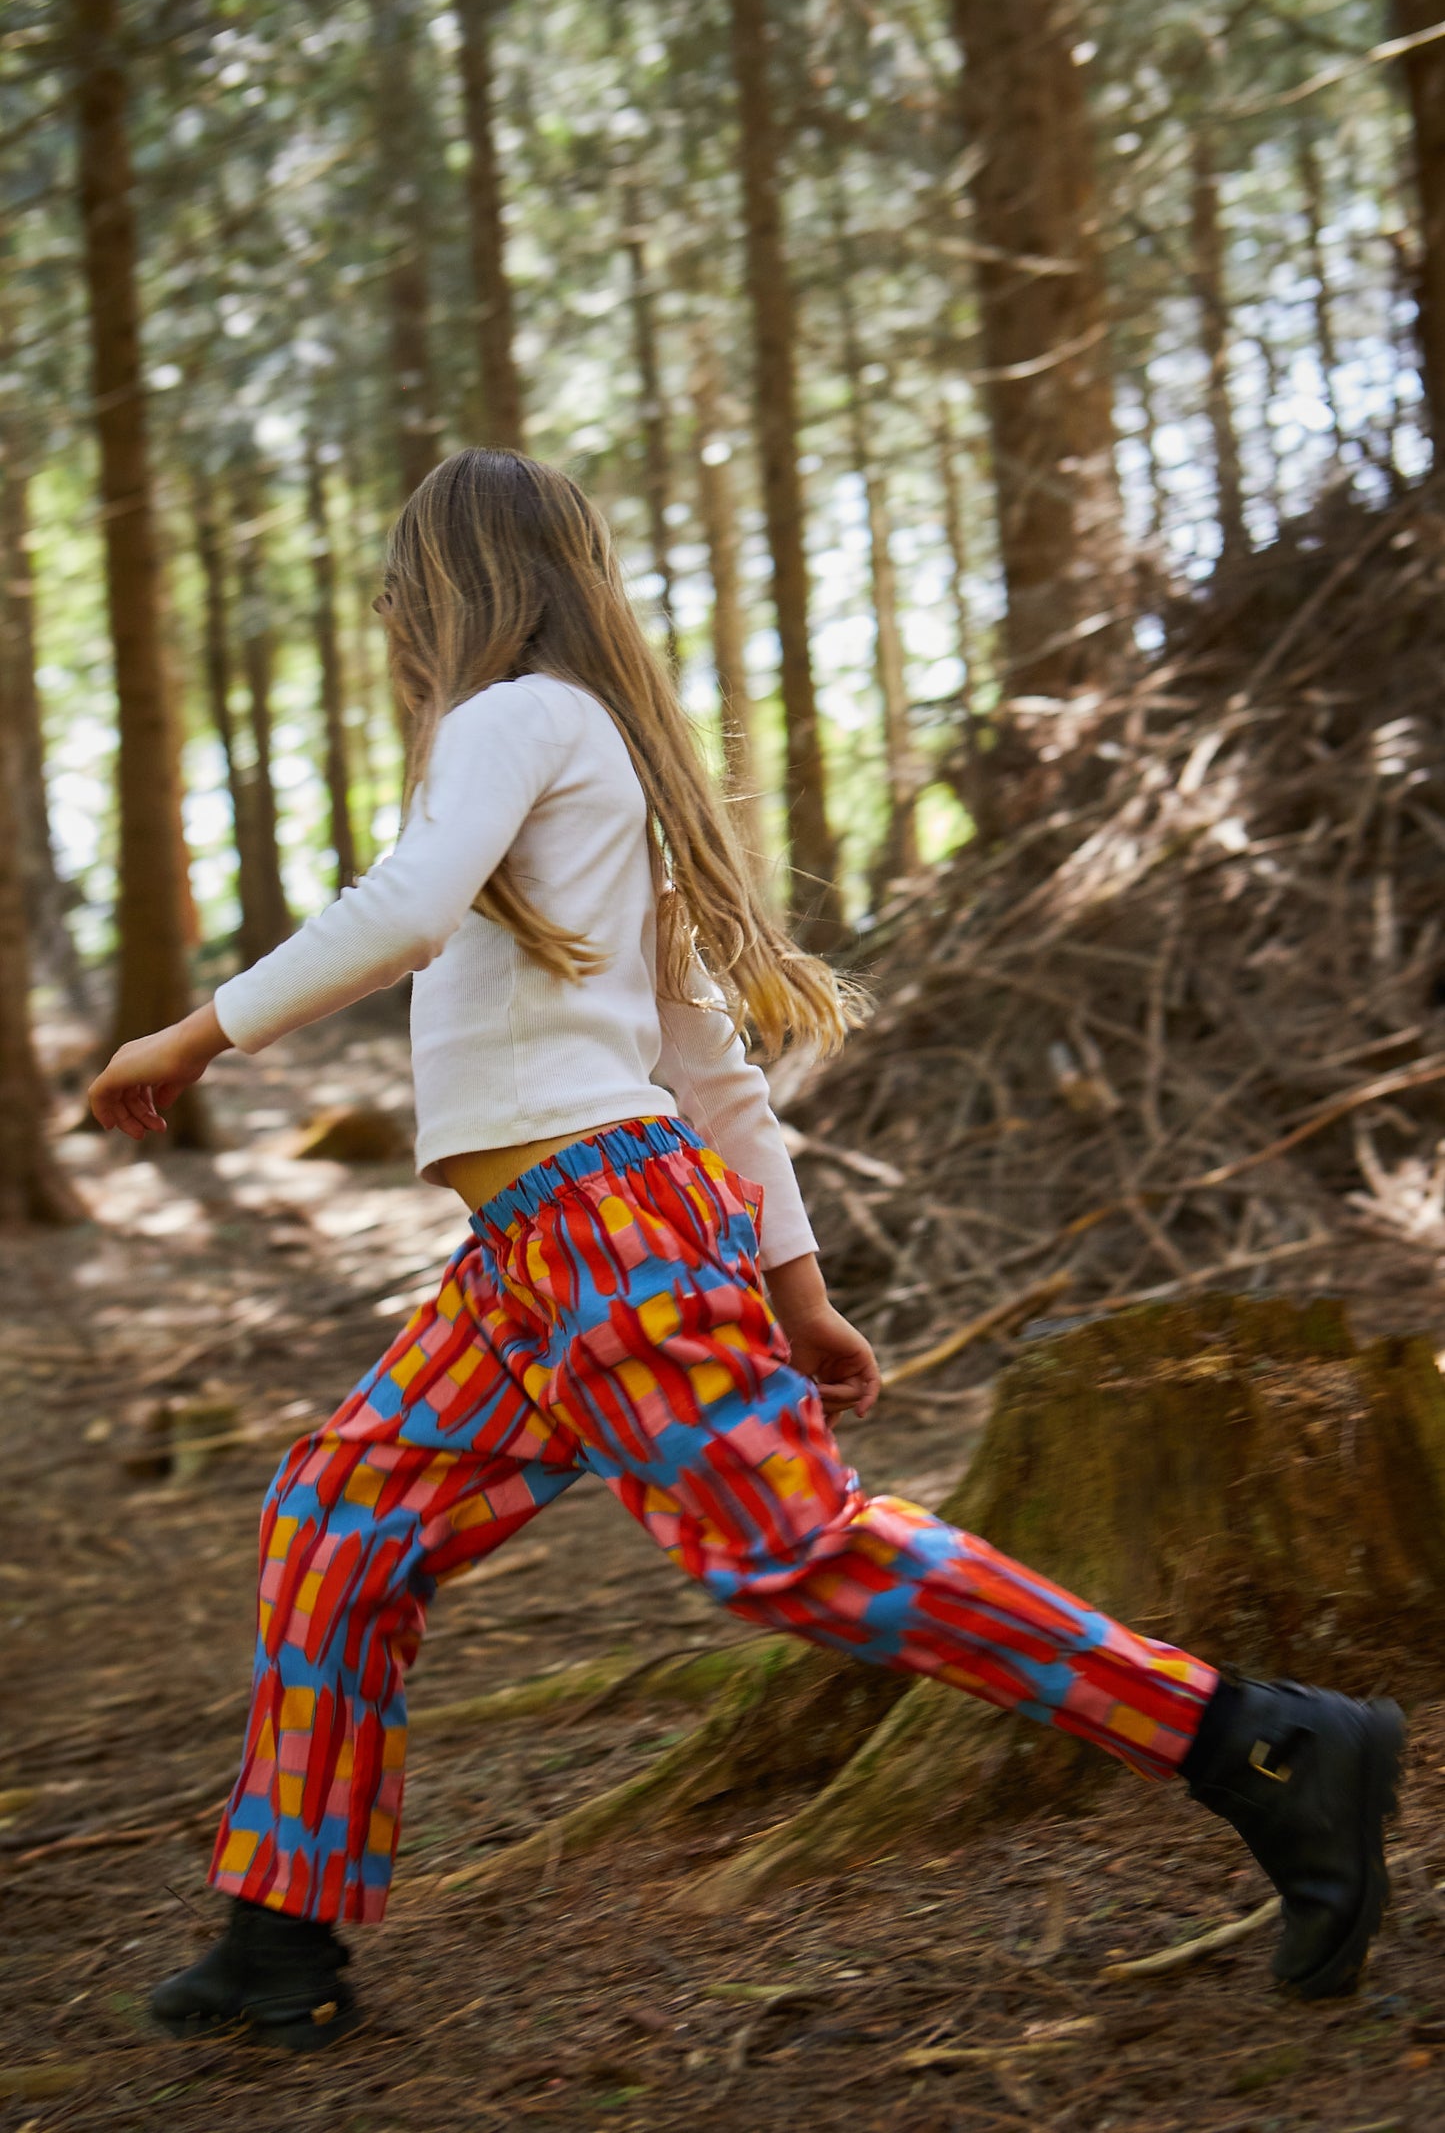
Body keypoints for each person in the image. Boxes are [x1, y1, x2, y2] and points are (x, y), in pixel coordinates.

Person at [90, 449, 1403, 2053]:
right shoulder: (589, 753)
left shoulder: (508, 722)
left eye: (399, 585)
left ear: (449, 586)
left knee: (787, 1551)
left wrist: (193, 1032)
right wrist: (800, 1288)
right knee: (339, 1525)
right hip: (537, 1249)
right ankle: (276, 1939)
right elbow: (704, 1057)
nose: (389, 613)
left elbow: (409, 907)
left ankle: (1253, 1743)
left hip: (597, 1220)